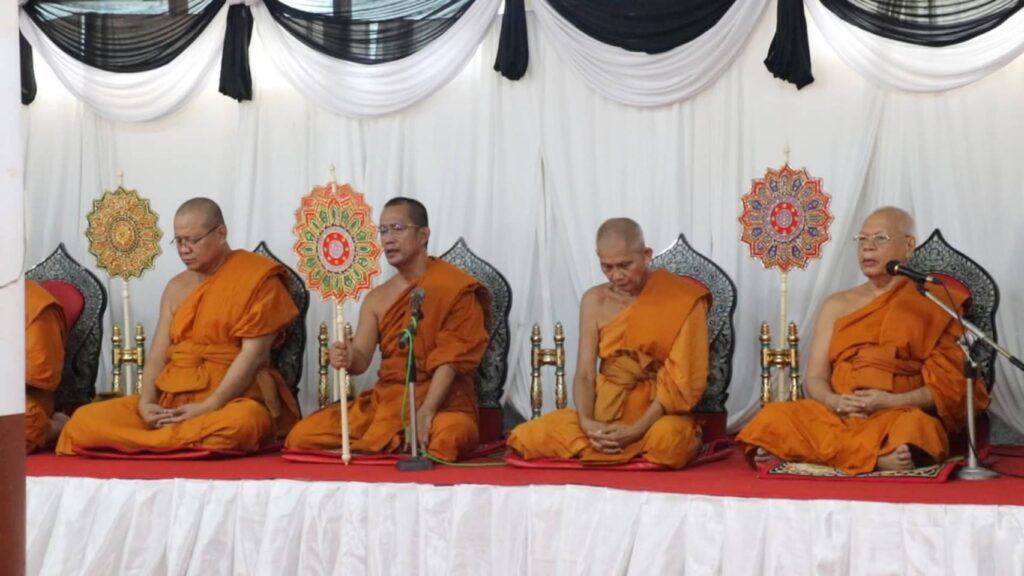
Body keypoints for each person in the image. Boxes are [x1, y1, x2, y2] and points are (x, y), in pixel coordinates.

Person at [737, 207, 987, 473]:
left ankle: (817, 453)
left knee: (918, 429)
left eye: (880, 238)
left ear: (909, 246)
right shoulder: (836, 304)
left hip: (897, 414)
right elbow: (816, 378)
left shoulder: (934, 302)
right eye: (862, 239)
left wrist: (890, 402)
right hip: (839, 416)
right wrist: (835, 402)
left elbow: (950, 386)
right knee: (774, 416)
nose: (868, 247)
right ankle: (876, 459)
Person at [57, 198, 300, 455]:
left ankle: (149, 443)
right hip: (171, 403)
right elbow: (157, 355)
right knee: (83, 420)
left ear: (221, 233)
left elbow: (253, 356)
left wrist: (210, 405)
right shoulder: (176, 287)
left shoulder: (258, 279)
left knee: (245, 422)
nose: (184, 249)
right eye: (179, 241)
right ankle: (172, 441)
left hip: (230, 402)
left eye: (193, 240)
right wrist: (147, 403)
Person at [285, 197, 491, 461]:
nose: (388, 239)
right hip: (388, 403)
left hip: (442, 402)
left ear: (423, 235)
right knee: (302, 436)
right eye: (383, 231)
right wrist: (347, 356)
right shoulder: (377, 298)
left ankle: (384, 444)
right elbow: (361, 358)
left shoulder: (455, 289)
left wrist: (426, 411)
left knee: (449, 438)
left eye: (398, 228)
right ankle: (392, 442)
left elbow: (450, 360)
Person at [507, 218, 710, 468]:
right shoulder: (594, 300)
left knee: (668, 442)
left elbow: (682, 381)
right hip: (604, 413)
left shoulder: (681, 299)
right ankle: (609, 443)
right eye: (607, 267)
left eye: (625, 265)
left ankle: (631, 445)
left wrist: (635, 430)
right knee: (527, 437)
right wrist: (587, 422)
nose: (617, 275)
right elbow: (585, 373)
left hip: (655, 418)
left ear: (646, 255)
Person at [24, 280, 68, 453]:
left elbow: (42, 374)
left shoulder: (35, 302)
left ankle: (55, 427)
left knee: (15, 422)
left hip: (24, 397)